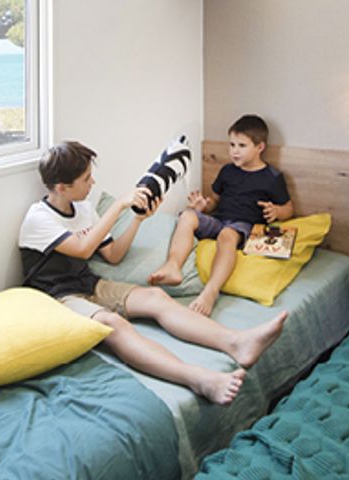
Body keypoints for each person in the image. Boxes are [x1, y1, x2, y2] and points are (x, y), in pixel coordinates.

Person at [18, 141, 288, 406]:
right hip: (57, 298)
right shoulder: (39, 218)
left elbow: (113, 255)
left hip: (89, 284)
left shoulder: (83, 209)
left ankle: (236, 342)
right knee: (113, 323)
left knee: (156, 297)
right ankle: (198, 378)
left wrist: (137, 219)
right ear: (62, 187)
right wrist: (119, 205)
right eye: (86, 179)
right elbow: (83, 249)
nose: (93, 183)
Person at [149, 114, 294, 316]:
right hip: (219, 220)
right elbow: (215, 200)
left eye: (242, 146)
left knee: (227, 235)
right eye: (231, 145)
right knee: (188, 216)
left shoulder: (272, 177)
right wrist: (203, 205)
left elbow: (289, 208)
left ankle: (210, 292)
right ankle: (173, 265)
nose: (234, 151)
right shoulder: (227, 171)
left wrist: (277, 211)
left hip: (244, 226)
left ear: (260, 147)